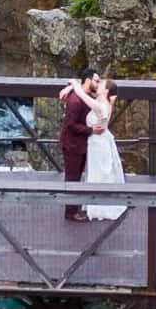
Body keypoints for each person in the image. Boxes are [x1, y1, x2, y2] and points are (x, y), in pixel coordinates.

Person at [82, 77, 126, 221]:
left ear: (106, 90)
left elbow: (83, 96)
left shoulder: (100, 105)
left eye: (101, 84)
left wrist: (75, 85)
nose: (98, 84)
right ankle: (98, 204)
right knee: (100, 171)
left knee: (99, 172)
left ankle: (99, 207)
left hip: (98, 144)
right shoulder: (105, 103)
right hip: (98, 142)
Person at [60, 69, 99, 220]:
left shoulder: (83, 95)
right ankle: (70, 212)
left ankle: (74, 208)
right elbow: (71, 125)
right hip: (73, 145)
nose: (98, 83)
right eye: (96, 81)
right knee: (72, 178)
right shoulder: (76, 101)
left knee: (76, 177)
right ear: (88, 81)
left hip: (79, 145)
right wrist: (90, 130)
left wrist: (71, 85)